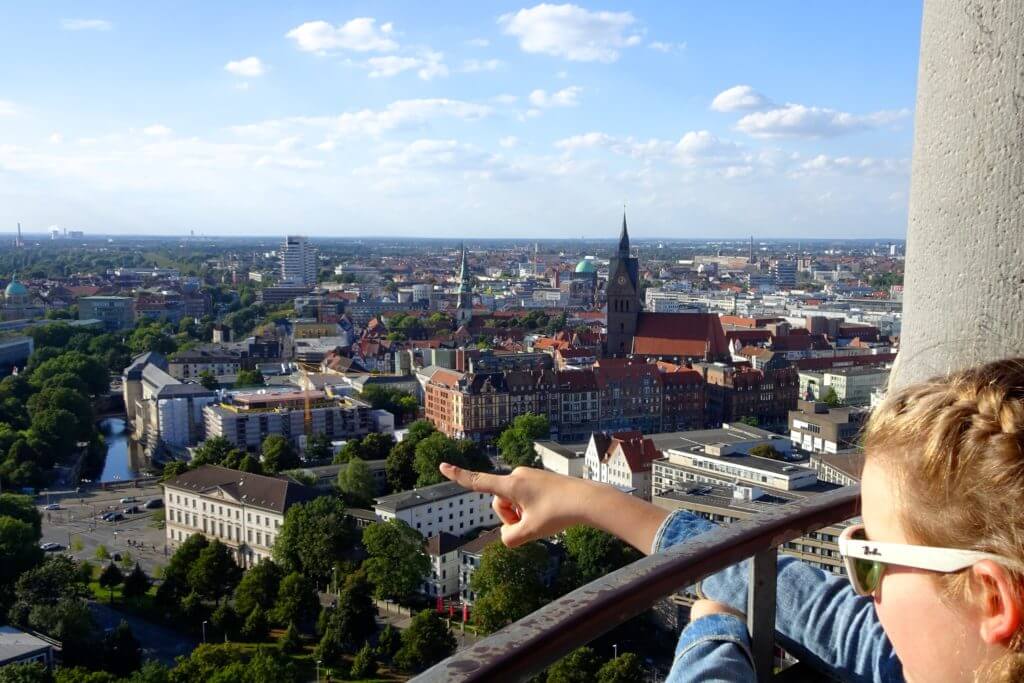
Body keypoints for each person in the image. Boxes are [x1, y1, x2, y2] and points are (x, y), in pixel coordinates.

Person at [439, 358, 1024, 683]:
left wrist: (712, 638)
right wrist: (585, 498)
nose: (856, 586)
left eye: (870, 560)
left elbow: (825, 615)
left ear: (992, 600)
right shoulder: (950, 654)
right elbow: (813, 607)